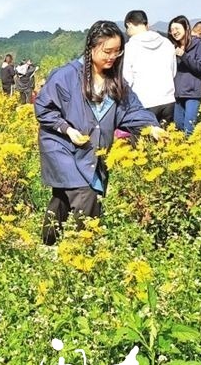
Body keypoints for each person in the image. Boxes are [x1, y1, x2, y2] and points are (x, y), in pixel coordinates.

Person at [34, 21, 161, 245]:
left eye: (117, 51)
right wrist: (66, 129)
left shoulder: (116, 82)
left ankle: (48, 244)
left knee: (64, 195)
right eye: (107, 51)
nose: (112, 57)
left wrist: (152, 127)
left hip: (90, 149)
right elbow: (43, 108)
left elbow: (133, 110)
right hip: (60, 145)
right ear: (91, 48)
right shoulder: (66, 76)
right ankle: (85, 251)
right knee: (85, 193)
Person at [122, 10, 176, 126]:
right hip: (168, 100)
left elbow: (127, 78)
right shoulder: (167, 43)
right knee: (168, 140)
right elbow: (173, 71)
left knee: (145, 142)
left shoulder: (130, 47)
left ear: (129, 24)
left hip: (144, 102)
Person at [168, 16, 201, 136]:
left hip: (192, 93)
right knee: (177, 129)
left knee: (189, 130)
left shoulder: (197, 44)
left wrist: (184, 56)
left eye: (177, 28)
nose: (174, 32)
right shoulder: (171, 47)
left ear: (186, 28)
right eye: (172, 30)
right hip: (177, 94)